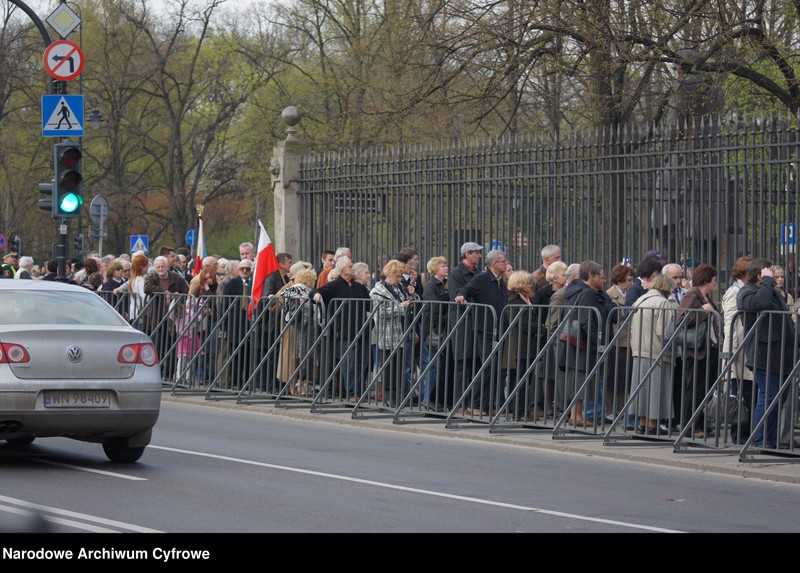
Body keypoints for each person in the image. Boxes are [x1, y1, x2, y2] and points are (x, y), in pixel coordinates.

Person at [737, 258, 798, 449]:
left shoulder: (770, 291)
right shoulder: (747, 291)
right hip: (765, 354)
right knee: (768, 397)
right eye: (770, 272)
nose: (774, 277)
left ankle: (770, 439)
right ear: (760, 274)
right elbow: (758, 303)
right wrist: (767, 282)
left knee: (778, 400)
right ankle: (759, 439)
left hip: (781, 355)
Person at [558, 260, 614, 427]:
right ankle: (577, 417)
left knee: (580, 381)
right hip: (582, 345)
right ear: (591, 276)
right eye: (602, 277)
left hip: (579, 344)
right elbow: (586, 320)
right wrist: (595, 342)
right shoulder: (586, 293)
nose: (604, 280)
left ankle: (577, 416)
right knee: (580, 381)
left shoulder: (584, 290)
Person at [455, 249, 509, 415]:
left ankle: (488, 405)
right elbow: (466, 289)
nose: (506, 264)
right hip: (485, 329)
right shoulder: (481, 278)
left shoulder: (501, 280)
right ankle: (475, 404)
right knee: (487, 367)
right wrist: (460, 296)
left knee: (495, 369)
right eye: (503, 261)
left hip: (499, 329)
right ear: (494, 264)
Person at [676, 263, 720, 439]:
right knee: (694, 389)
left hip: (709, 348)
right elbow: (681, 319)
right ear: (707, 280)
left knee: (705, 389)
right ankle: (689, 426)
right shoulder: (692, 295)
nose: (716, 283)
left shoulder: (705, 296)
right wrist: (702, 312)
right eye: (715, 280)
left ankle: (701, 424)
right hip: (696, 350)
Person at [630, 274, 677, 435]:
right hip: (656, 352)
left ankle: (642, 423)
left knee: (642, 390)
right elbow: (664, 332)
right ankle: (653, 425)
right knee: (656, 389)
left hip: (638, 349)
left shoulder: (641, 300)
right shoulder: (663, 302)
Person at [370, 260, 418, 408]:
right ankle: (389, 396)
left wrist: (412, 296)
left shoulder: (400, 288)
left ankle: (398, 394)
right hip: (387, 332)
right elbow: (381, 311)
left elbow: (410, 304)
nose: (399, 279)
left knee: (399, 366)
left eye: (400, 276)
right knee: (389, 366)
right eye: (397, 276)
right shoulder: (378, 290)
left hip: (401, 331)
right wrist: (400, 307)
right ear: (389, 274)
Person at [722, 256, 754, 444]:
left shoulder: (745, 290)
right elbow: (731, 325)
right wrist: (731, 352)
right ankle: (739, 436)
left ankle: (745, 434)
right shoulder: (734, 292)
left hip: (746, 350)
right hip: (739, 351)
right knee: (741, 396)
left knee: (747, 394)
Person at [448, 242, 483, 412]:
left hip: (476, 322)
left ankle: (472, 402)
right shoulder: (456, 273)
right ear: (467, 254)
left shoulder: (477, 273)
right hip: (463, 324)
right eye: (476, 253)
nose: (479, 256)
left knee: (475, 364)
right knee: (462, 365)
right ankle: (460, 403)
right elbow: (457, 297)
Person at [278, 267, 319, 397]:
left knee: (298, 358)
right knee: (299, 358)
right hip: (300, 328)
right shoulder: (303, 290)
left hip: (292, 327)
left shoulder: (292, 289)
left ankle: (298, 386)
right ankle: (297, 387)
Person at [501, 271, 535, 419]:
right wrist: (541, 328)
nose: (531, 285)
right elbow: (522, 323)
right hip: (520, 346)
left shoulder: (526, 298)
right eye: (528, 282)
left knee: (526, 380)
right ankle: (518, 411)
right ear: (520, 285)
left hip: (529, 345)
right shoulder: (514, 301)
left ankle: (523, 409)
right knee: (520, 379)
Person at [605, 263, 634, 420]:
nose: (631, 282)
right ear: (620, 279)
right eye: (628, 279)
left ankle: (623, 408)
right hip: (617, 340)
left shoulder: (631, 294)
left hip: (630, 340)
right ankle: (610, 409)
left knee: (626, 377)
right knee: (613, 377)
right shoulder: (609, 294)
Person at [420, 257, 449, 411]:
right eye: (443, 266)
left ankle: (435, 399)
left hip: (441, 329)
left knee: (438, 366)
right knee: (433, 366)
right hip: (433, 330)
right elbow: (434, 308)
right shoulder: (431, 286)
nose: (446, 268)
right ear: (435, 269)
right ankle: (427, 400)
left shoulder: (444, 285)